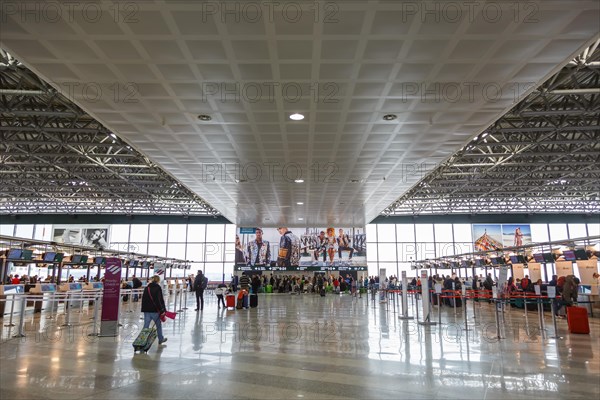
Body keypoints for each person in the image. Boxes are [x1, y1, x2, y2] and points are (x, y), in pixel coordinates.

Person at [141, 275, 167, 345]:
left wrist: (144, 309)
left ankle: (142, 340)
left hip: (146, 310)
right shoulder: (158, 288)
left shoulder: (147, 288)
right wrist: (162, 310)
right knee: (158, 325)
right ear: (158, 280)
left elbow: (144, 299)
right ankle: (161, 339)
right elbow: (159, 300)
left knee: (146, 326)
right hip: (154, 310)